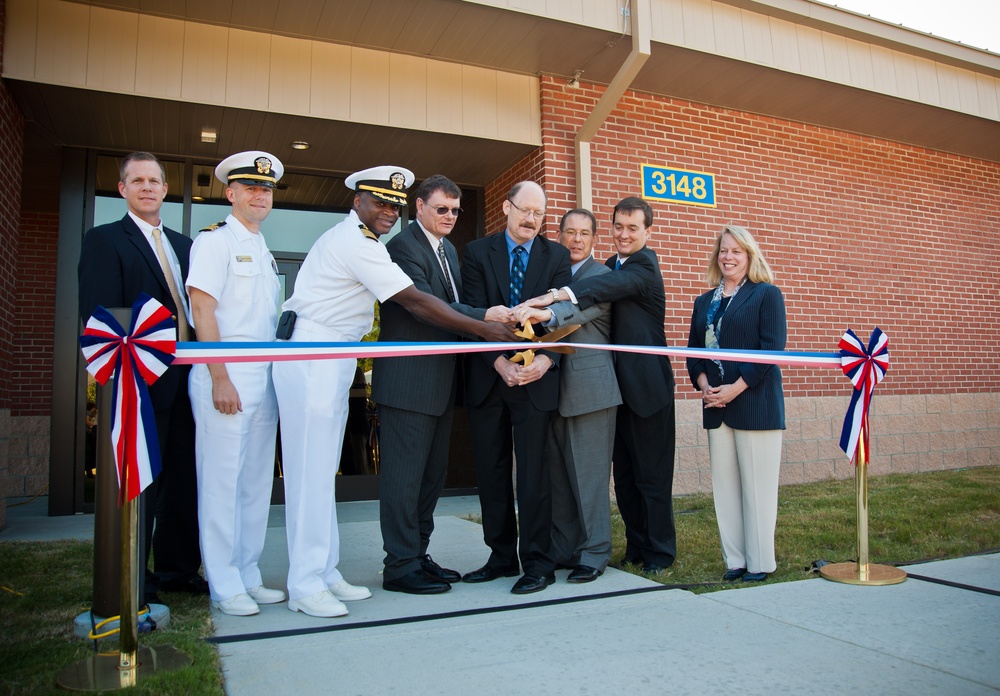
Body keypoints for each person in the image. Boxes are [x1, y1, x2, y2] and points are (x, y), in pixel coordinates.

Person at [273, 166, 516, 617]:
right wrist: (488, 326)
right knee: (325, 475)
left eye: (393, 204)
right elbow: (419, 303)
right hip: (328, 358)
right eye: (380, 202)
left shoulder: (383, 244)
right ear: (357, 201)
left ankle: (339, 570)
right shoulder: (378, 245)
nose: (388, 210)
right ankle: (335, 577)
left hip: (344, 357)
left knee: (346, 474)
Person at [516, 196, 676, 574]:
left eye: (632, 228)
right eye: (619, 226)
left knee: (651, 478)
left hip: (647, 387)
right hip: (617, 385)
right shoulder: (609, 266)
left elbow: (591, 299)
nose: (624, 234)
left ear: (647, 232)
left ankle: (660, 553)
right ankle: (636, 548)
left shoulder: (642, 267)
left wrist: (551, 301)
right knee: (625, 478)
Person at [371, 175, 514, 595]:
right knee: (404, 479)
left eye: (455, 210)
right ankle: (398, 565)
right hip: (408, 383)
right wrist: (485, 321)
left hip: (441, 384)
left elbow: (452, 303)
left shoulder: (449, 249)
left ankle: (417, 555)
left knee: (431, 478)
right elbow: (429, 309)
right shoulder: (401, 248)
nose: (450, 216)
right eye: (441, 209)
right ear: (419, 207)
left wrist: (489, 314)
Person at [78, 151, 204, 605]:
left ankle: (178, 570)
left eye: (154, 180)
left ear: (166, 189)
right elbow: (99, 315)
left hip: (190, 379)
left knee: (185, 479)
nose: (147, 187)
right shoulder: (105, 240)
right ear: (123, 189)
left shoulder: (185, 246)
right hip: (140, 382)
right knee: (142, 481)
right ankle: (135, 575)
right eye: (138, 181)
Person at [186, 150, 286, 616]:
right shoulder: (214, 242)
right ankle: (224, 583)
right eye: (250, 187)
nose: (259, 195)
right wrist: (219, 377)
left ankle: (247, 573)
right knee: (222, 483)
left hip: (262, 376)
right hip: (224, 375)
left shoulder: (262, 247)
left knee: (254, 484)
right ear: (231, 193)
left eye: (265, 189)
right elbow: (203, 312)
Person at [460, 181, 572, 594]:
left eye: (539, 214)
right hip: (490, 380)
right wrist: (498, 362)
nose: (531, 220)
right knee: (491, 474)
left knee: (534, 476)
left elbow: (565, 316)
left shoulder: (556, 256)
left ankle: (538, 563)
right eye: (524, 210)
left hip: (536, 380)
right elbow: (473, 318)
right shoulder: (476, 253)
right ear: (507, 207)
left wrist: (547, 359)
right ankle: (501, 557)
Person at [513, 209, 621, 583]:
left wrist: (539, 311)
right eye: (570, 232)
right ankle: (565, 548)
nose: (577, 240)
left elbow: (576, 311)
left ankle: (594, 553)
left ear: (594, 240)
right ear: (559, 236)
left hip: (591, 390)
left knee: (589, 478)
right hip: (552, 390)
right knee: (559, 478)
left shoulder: (602, 276)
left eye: (585, 234)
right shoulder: (555, 275)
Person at [686, 225, 786, 583]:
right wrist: (705, 387)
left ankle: (760, 563)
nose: (728, 257)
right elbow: (693, 355)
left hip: (755, 404)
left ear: (750, 256)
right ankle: (736, 561)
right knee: (726, 489)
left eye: (736, 252)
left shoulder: (766, 295)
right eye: (723, 251)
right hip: (716, 406)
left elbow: (771, 351)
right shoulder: (704, 302)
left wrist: (735, 388)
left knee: (757, 490)